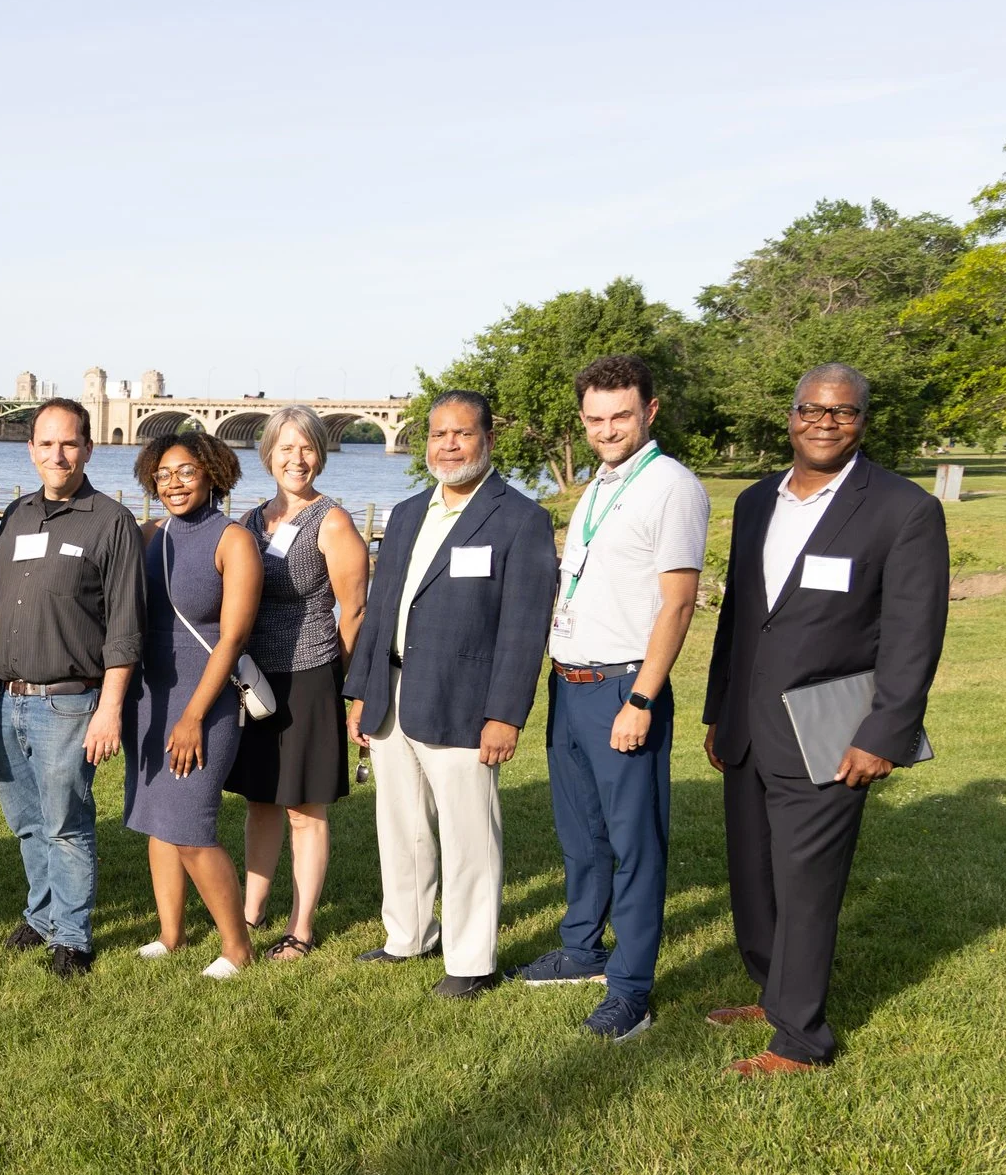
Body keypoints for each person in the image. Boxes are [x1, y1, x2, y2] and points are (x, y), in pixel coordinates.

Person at [702, 364, 948, 1074]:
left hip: (831, 723)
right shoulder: (754, 503)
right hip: (749, 724)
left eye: (842, 412)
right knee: (755, 873)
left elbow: (913, 633)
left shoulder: (902, 510)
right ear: (791, 415)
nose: (824, 421)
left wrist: (884, 732)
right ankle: (774, 990)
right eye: (812, 408)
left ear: (862, 421)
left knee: (807, 883)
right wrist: (720, 710)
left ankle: (802, 1038)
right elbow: (741, 619)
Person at [514, 355, 710, 1041]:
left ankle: (631, 988)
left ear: (649, 412)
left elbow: (678, 604)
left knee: (635, 845)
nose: (607, 429)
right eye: (594, 419)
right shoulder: (601, 482)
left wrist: (644, 700)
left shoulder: (671, 487)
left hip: (625, 686)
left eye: (620, 415)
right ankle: (581, 948)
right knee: (581, 835)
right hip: (570, 684)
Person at [342, 390, 556, 998]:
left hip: (465, 701)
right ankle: (407, 935)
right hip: (393, 692)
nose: (449, 445)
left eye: (462, 434)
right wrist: (361, 690)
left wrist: (504, 715)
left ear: (487, 440)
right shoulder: (409, 513)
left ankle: (471, 961)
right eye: (438, 434)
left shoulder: (520, 519)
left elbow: (523, 627)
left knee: (469, 836)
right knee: (400, 825)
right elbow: (381, 609)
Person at [0, 398, 145, 979]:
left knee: (67, 822)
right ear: (31, 450)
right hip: (8, 700)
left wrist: (110, 710)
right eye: (46, 444)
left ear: (88, 448)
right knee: (27, 821)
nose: (58, 455)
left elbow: (126, 627)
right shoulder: (16, 517)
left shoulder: (110, 522)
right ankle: (42, 914)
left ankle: (73, 937)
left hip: (71, 700)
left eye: (69, 443)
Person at [230, 407, 369, 958]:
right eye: (286, 448)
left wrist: (353, 691)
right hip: (253, 679)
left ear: (321, 454)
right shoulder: (249, 520)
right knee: (260, 801)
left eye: (307, 447)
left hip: (310, 677)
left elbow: (354, 613)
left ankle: (301, 928)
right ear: (268, 455)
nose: (297, 459)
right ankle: (249, 911)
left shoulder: (332, 522)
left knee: (303, 809)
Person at [126, 431, 263, 978]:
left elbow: (232, 640)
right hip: (149, 697)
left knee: (191, 827)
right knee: (159, 824)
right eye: (162, 474)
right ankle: (171, 934)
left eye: (186, 471)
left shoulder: (233, 539)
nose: (173, 483)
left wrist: (192, 716)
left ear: (212, 473)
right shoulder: (149, 534)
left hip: (203, 702)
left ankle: (236, 946)